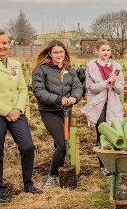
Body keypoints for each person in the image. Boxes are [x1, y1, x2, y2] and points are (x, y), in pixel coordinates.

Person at [0, 30, 42, 203]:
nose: (1, 46)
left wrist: (18, 109)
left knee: (27, 147)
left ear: (9, 44)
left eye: (4, 43)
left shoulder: (15, 64)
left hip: (17, 112)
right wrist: (8, 111)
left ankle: (28, 184)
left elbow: (22, 89)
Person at [32, 40, 83, 189]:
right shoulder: (41, 70)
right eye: (55, 52)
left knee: (61, 144)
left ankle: (58, 176)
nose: (59, 55)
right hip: (49, 111)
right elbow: (39, 91)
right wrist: (59, 99)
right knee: (62, 144)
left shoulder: (70, 70)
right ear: (50, 54)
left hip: (66, 110)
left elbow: (78, 87)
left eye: (61, 52)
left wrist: (75, 97)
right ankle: (51, 175)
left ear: (65, 53)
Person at [81, 39, 124, 176]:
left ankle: (114, 163)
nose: (106, 52)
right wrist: (106, 82)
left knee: (115, 132)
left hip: (113, 104)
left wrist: (114, 83)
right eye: (103, 50)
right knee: (101, 133)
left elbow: (120, 89)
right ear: (97, 51)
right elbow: (90, 87)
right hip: (98, 104)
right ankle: (103, 165)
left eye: (108, 50)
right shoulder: (91, 67)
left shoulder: (117, 67)